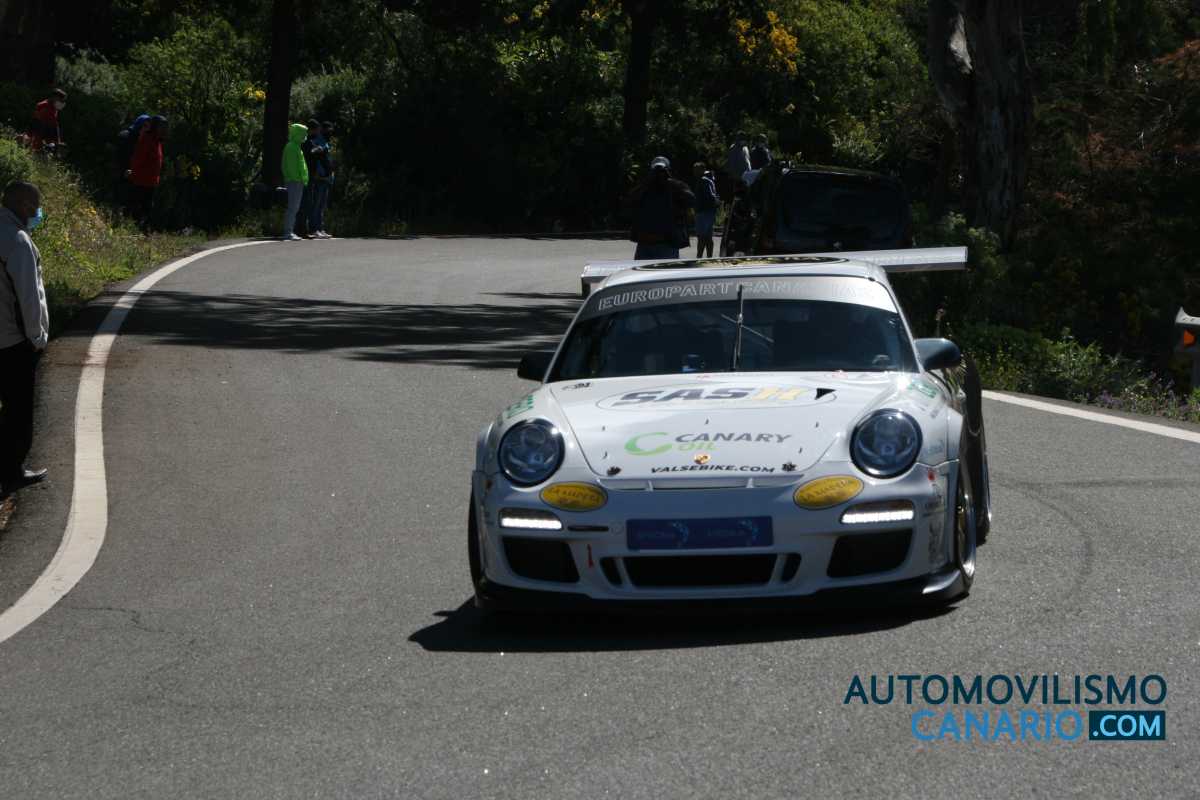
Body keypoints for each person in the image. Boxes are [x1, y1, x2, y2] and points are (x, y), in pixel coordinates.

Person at [0, 181, 50, 492]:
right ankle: (10, 472)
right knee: (18, 411)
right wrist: (37, 338)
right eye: (36, 207)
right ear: (23, 205)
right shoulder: (17, 240)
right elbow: (28, 297)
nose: (37, 213)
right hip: (12, 341)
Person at [628, 156, 694, 260]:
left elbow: (690, 199)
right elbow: (630, 201)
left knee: (665, 270)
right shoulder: (645, 187)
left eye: (662, 171)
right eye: (656, 172)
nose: (659, 175)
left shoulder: (674, 187)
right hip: (645, 242)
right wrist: (647, 182)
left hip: (666, 242)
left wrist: (670, 181)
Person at [125, 116, 168, 228]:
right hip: (141, 181)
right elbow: (137, 159)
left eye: (165, 127)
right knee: (138, 209)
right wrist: (133, 173)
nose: (163, 129)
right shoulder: (147, 139)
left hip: (151, 182)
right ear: (154, 127)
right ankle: (135, 229)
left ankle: (143, 230)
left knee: (147, 209)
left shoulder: (158, 141)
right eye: (161, 126)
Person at [280, 122, 309, 241]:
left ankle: (289, 231)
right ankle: (288, 232)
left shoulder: (295, 146)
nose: (305, 136)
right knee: (292, 207)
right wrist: (298, 179)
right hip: (294, 181)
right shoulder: (292, 147)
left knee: (294, 207)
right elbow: (291, 166)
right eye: (303, 133)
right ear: (298, 134)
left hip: (296, 181)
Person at [692, 161, 719, 259]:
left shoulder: (703, 180)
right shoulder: (708, 180)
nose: (694, 172)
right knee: (708, 237)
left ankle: (699, 256)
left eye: (697, 169)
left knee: (701, 237)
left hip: (703, 212)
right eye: (694, 169)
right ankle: (709, 257)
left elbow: (710, 195)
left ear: (703, 170)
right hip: (709, 212)